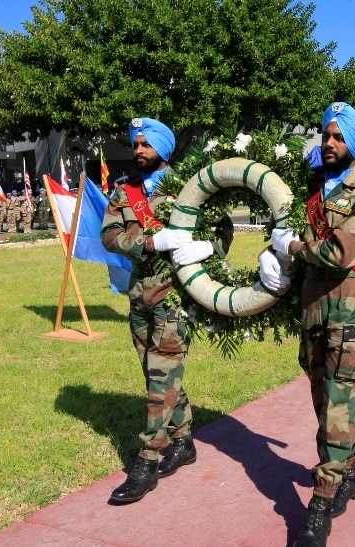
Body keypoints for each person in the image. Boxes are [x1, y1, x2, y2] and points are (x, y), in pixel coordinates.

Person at [270, 102, 355, 547]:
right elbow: (289, 234)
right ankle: (350, 473)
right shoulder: (310, 193)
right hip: (314, 312)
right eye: (326, 136)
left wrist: (293, 246)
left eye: (339, 138)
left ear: (354, 145)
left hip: (349, 316)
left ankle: (320, 505)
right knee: (324, 403)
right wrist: (274, 253)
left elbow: (339, 253)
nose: (329, 143)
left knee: (340, 406)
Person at [102, 118, 233, 505]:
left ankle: (146, 460)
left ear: (163, 147)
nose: (139, 149)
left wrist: (209, 248)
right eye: (135, 143)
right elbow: (109, 235)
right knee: (155, 372)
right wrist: (149, 240)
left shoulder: (190, 187)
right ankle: (184, 441)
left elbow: (222, 229)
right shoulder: (125, 190)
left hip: (175, 296)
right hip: (139, 294)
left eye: (146, 144)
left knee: (162, 375)